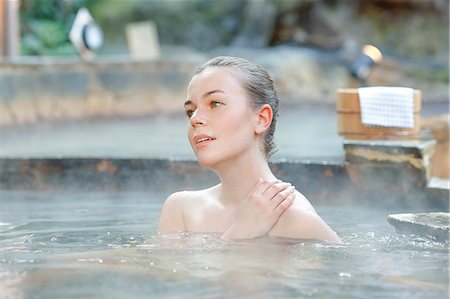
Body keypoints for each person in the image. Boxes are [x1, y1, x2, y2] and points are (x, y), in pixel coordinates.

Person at [158, 56, 341, 243]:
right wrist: (237, 234)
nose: (195, 119)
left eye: (215, 103)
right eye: (191, 111)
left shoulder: (293, 218)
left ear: (261, 119)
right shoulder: (181, 210)